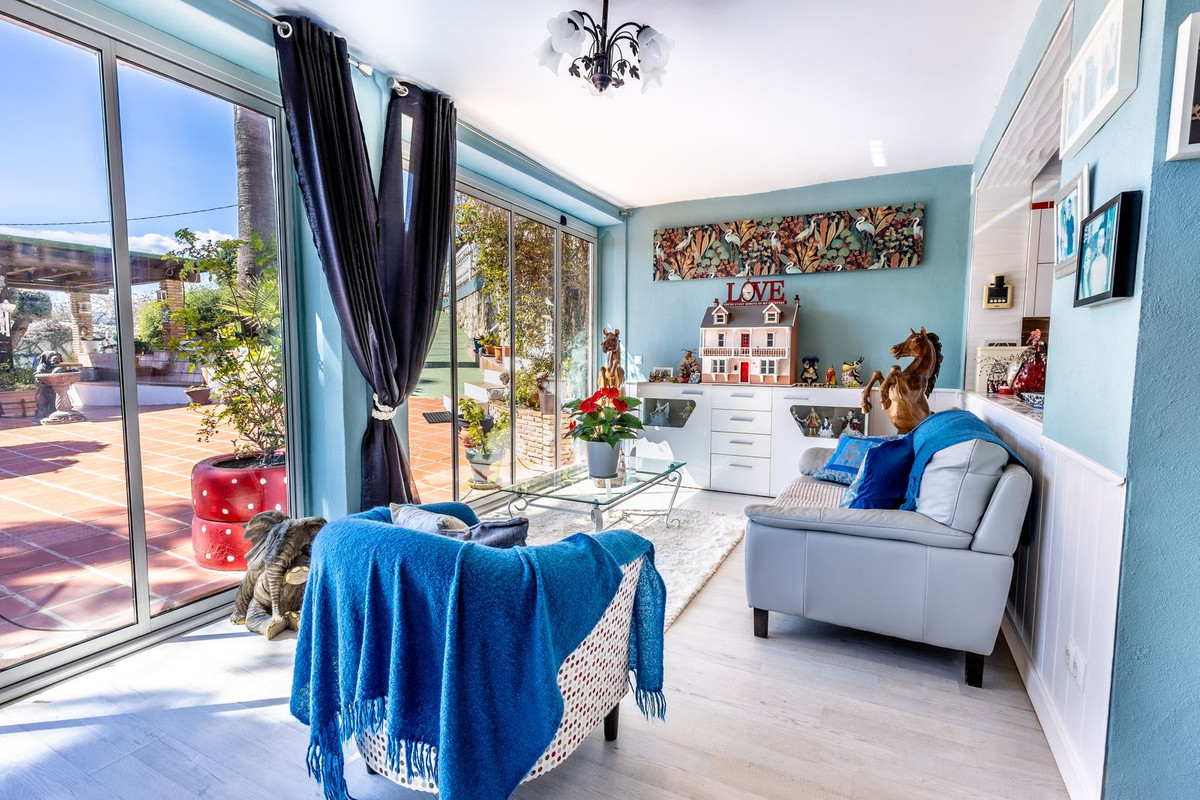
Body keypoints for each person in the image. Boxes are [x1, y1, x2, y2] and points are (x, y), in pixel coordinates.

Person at [1082, 220, 1111, 298]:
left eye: (1102, 238)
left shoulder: (1104, 262)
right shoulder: (1093, 262)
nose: (1100, 242)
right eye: (1099, 238)